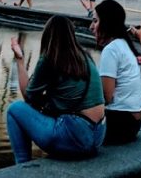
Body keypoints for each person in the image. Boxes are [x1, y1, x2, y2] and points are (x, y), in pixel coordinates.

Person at [6, 15, 106, 163]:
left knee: (14, 110)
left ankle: (22, 166)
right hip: (98, 136)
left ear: (48, 35)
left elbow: (29, 97)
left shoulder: (50, 58)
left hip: (75, 137)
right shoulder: (85, 57)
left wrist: (20, 60)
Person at [91, 0, 141, 144]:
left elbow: (106, 97)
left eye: (95, 21)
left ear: (106, 23)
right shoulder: (124, 44)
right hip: (134, 121)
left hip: (120, 123)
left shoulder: (111, 49)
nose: (91, 27)